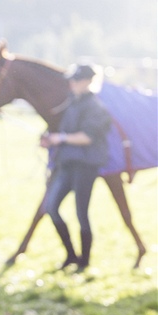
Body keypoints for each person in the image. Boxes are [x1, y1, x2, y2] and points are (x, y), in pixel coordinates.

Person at [40, 64, 112, 270]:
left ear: (89, 81)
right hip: (67, 163)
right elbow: (66, 133)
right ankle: (71, 254)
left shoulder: (96, 108)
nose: (72, 84)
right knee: (51, 207)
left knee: (81, 213)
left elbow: (87, 137)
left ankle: (84, 260)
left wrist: (60, 138)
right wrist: (51, 140)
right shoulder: (72, 104)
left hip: (85, 166)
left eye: (77, 80)